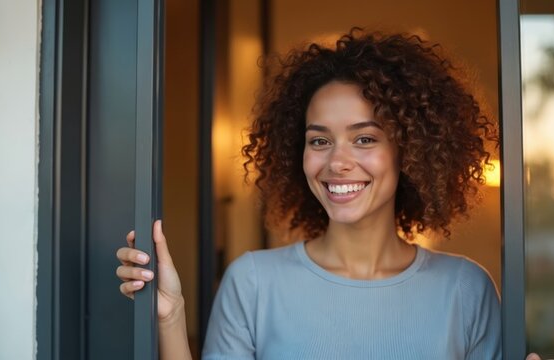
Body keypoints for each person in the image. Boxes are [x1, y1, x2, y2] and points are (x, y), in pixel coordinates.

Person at [116, 29, 501, 359]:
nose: (337, 162)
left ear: (410, 150)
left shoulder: (465, 288)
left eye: (364, 138)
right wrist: (170, 317)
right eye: (319, 140)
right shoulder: (252, 283)